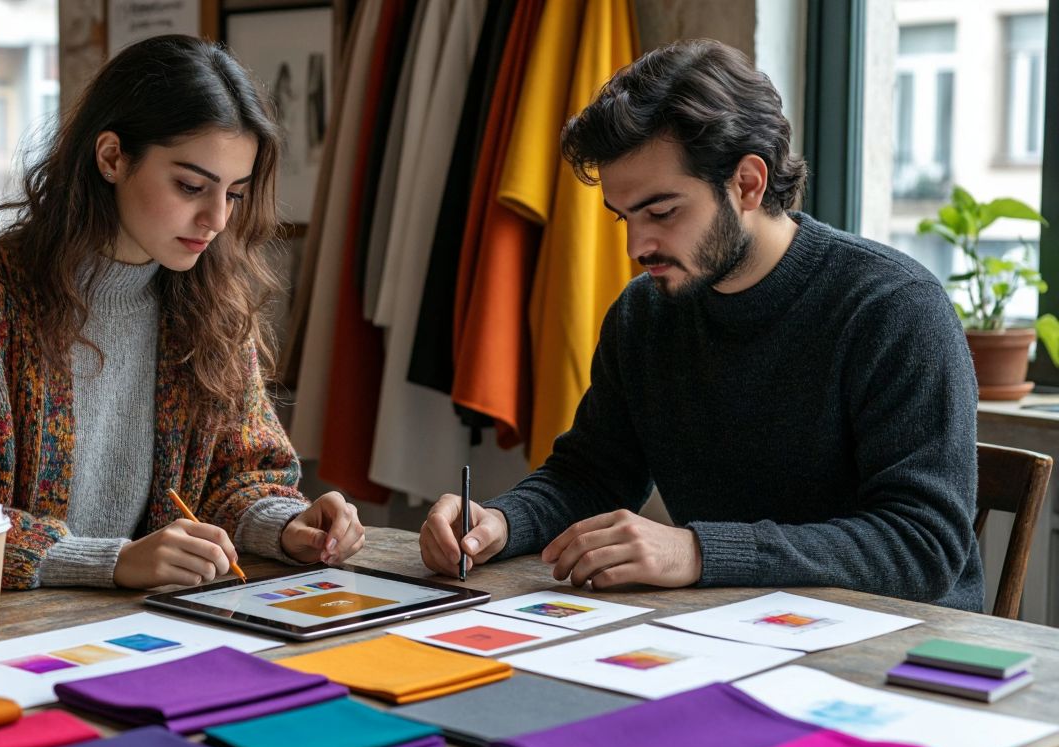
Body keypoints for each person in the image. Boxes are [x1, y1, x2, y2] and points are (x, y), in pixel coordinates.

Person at [419, 39, 982, 610]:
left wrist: (698, 552)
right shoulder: (644, 315)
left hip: (898, 644)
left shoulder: (894, 307)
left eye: (662, 212)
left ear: (748, 184)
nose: (637, 246)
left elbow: (923, 546)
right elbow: (591, 475)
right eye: (624, 217)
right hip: (725, 630)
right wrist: (499, 522)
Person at [0, 35, 364, 594]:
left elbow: (240, 473)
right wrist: (109, 561)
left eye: (234, 194)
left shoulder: (209, 307)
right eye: (191, 186)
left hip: (132, 628)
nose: (216, 218)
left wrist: (287, 525)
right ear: (112, 157)